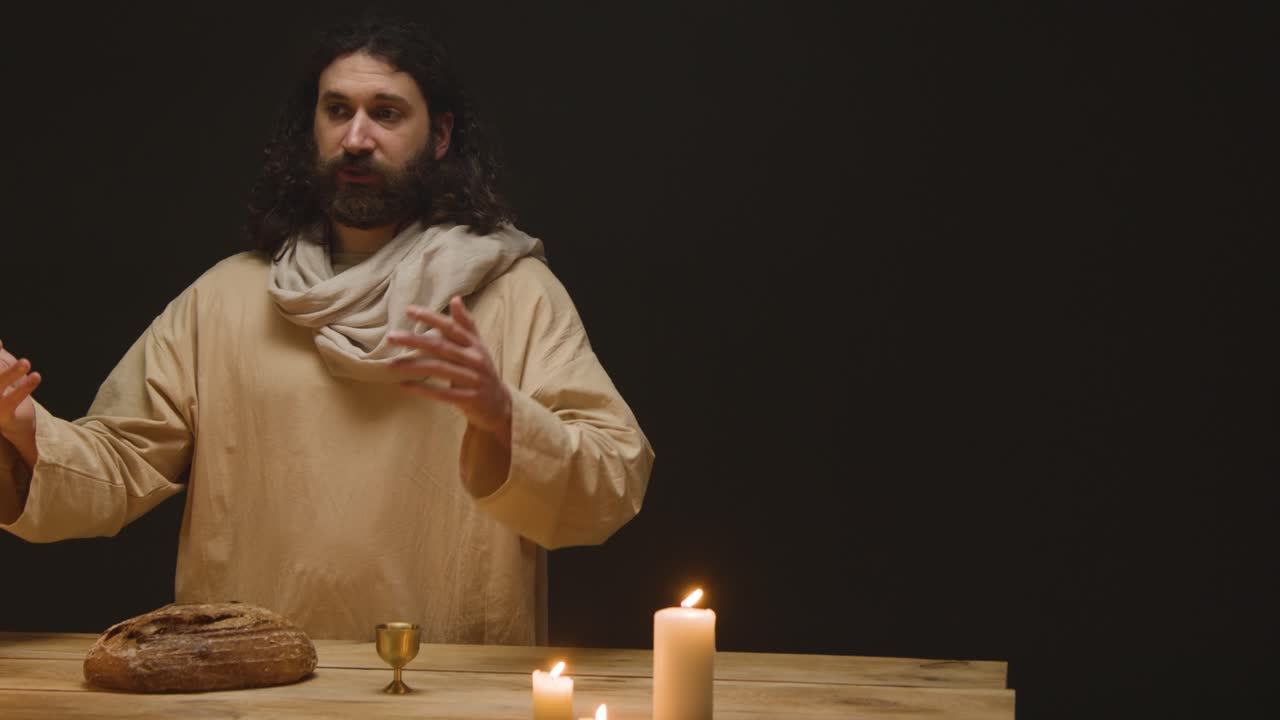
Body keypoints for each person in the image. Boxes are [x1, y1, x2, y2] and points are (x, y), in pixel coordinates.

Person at [0, 17, 653, 644]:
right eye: (337, 110)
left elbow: (614, 481)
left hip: (449, 690)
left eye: (387, 113)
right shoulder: (226, 299)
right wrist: (28, 432)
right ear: (312, 128)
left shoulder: (514, 298)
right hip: (250, 689)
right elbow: (118, 463)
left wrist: (506, 418)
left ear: (442, 134)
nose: (357, 137)